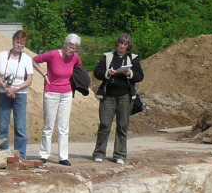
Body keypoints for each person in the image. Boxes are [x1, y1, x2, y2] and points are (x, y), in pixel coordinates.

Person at [92, 33, 145, 165]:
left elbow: (140, 76)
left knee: (122, 125)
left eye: (125, 44)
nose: (122, 46)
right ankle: (99, 153)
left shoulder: (133, 58)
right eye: (120, 43)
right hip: (108, 96)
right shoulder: (108, 57)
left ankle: (120, 154)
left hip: (125, 97)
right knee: (104, 124)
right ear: (117, 44)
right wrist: (107, 73)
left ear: (128, 46)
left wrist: (129, 73)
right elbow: (97, 72)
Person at [33, 34, 82, 166]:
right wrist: (44, 74)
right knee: (48, 125)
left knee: (63, 126)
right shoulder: (53, 55)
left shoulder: (74, 57)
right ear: (65, 44)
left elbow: (79, 67)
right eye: (70, 47)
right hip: (51, 92)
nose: (72, 50)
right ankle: (44, 154)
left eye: (75, 48)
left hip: (66, 93)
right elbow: (35, 60)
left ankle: (63, 156)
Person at [0, 30, 34, 158]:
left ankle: (20, 155)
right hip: (3, 92)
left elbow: (29, 80)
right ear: (13, 41)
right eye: (17, 42)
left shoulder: (27, 59)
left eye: (22, 43)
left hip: (20, 94)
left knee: (20, 127)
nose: (19, 45)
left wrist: (15, 89)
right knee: (3, 126)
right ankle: (3, 154)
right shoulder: (1, 55)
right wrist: (6, 88)